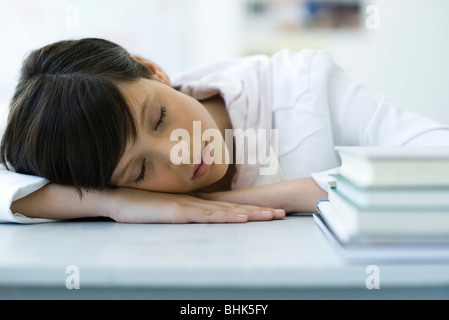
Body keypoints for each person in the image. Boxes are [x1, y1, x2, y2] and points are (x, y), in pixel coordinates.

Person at [1, 38, 448, 224]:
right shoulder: (111, 187)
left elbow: (440, 163)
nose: (177, 154)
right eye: (139, 170)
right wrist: (113, 202)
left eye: (158, 118)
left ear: (153, 71)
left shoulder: (301, 85)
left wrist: (282, 195)